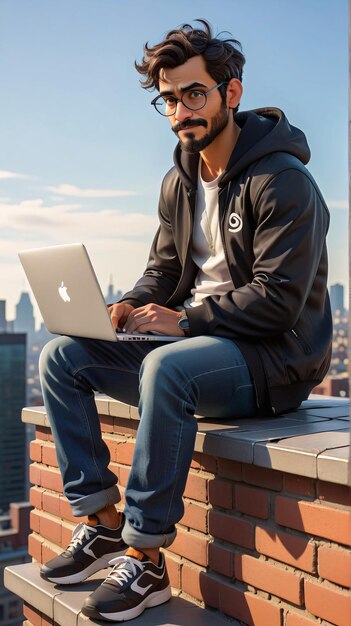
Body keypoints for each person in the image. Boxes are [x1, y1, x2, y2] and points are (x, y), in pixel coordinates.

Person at [38, 19, 332, 622]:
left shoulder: (284, 181)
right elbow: (163, 273)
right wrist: (124, 306)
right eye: (168, 98)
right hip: (198, 351)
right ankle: (101, 524)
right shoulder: (179, 181)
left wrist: (186, 322)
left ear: (232, 92)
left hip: (271, 361)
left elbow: (279, 299)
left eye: (193, 93)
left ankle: (146, 562)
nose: (180, 111)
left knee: (168, 368)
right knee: (61, 356)